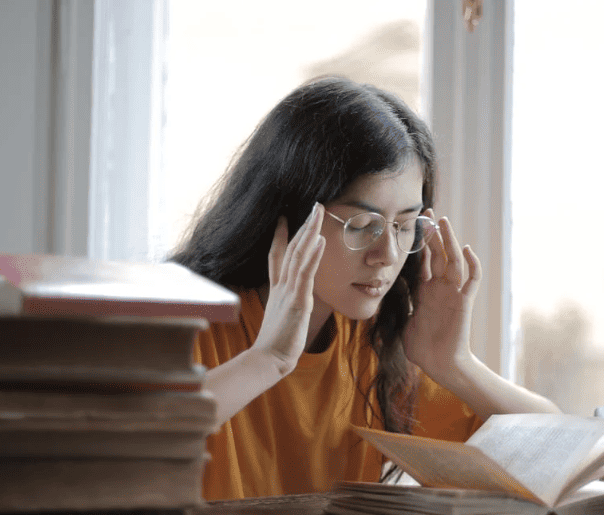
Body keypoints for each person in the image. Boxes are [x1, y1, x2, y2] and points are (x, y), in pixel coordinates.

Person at [170, 76, 560, 500]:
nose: (387, 254)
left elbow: (556, 453)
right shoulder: (187, 323)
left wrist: (454, 363)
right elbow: (124, 439)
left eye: (404, 226)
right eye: (361, 226)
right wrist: (268, 359)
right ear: (288, 215)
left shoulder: (375, 343)